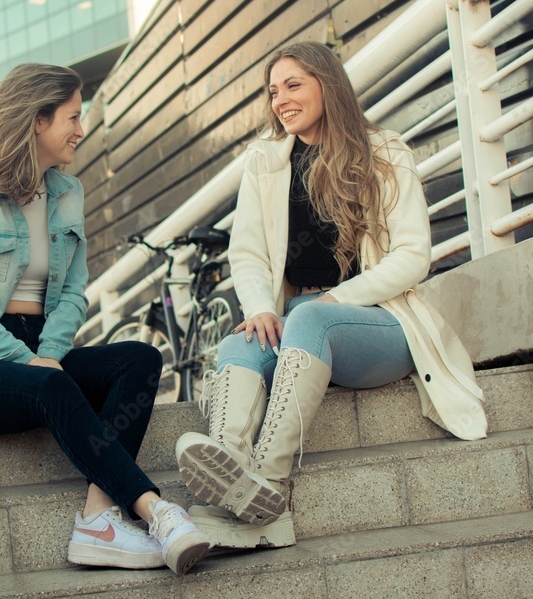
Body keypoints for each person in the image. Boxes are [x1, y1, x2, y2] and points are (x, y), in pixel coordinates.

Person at [175, 42, 488, 549]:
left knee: (306, 320)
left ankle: (269, 483)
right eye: (273, 91)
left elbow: (411, 256)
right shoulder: (265, 160)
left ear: (329, 85)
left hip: (381, 324)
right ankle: (231, 482)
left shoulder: (384, 152)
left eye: (293, 86)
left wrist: (335, 301)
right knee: (239, 343)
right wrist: (258, 307)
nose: (281, 101)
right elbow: (249, 252)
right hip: (301, 318)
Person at [0, 63, 210, 575]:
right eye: (73, 117)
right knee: (52, 387)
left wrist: (50, 354)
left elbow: (74, 293)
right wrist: (28, 360)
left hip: (41, 347)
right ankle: (155, 511)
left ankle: (97, 520)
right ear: (37, 120)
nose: (81, 130)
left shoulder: (67, 192)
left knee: (140, 359)